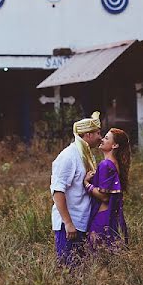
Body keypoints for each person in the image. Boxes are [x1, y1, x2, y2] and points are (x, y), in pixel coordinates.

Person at [50, 111, 102, 265]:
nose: (100, 137)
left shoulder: (85, 155)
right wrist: (68, 223)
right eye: (98, 133)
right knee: (68, 269)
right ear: (87, 135)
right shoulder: (68, 156)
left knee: (80, 270)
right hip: (69, 226)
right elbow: (58, 191)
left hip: (81, 222)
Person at [84, 128, 130, 246]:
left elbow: (104, 197)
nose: (102, 139)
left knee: (96, 254)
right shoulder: (115, 163)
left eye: (106, 138)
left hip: (102, 216)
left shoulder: (106, 164)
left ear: (114, 145)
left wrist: (87, 184)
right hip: (109, 215)